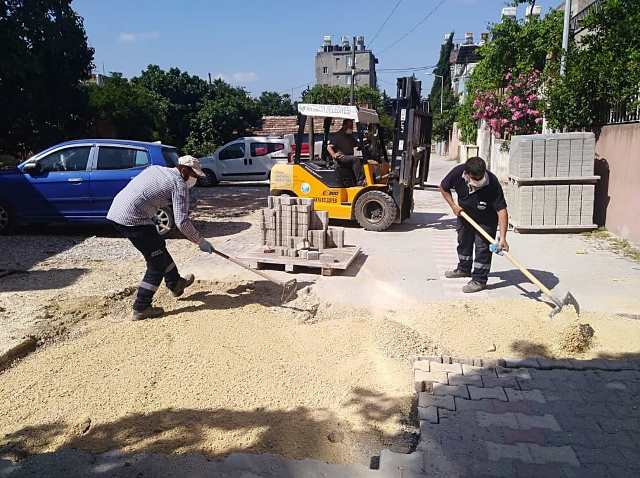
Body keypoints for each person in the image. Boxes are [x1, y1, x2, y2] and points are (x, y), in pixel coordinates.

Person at [107, 155, 215, 320]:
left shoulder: (157, 169)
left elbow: (148, 192)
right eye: (194, 176)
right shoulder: (179, 184)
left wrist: (152, 214)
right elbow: (182, 222)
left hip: (119, 210)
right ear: (184, 170)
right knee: (156, 262)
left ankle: (175, 283)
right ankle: (141, 307)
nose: (195, 181)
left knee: (158, 247)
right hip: (132, 220)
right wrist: (200, 241)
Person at [439, 156, 509, 293]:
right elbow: (443, 187)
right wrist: (453, 206)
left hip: (486, 220)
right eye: (475, 178)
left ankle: (479, 280)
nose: (478, 181)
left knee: (482, 248)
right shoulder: (458, 173)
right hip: (465, 215)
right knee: (463, 241)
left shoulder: (492, 182)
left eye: (480, 177)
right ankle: (464, 269)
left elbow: (502, 210)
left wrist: (503, 237)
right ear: (467, 174)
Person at [327, 119, 365, 185]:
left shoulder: (349, 136)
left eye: (352, 126)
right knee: (355, 159)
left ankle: (364, 179)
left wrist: (366, 142)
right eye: (350, 126)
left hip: (349, 158)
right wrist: (334, 155)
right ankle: (360, 181)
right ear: (344, 126)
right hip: (342, 158)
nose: (351, 128)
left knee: (364, 161)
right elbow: (329, 147)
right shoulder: (337, 136)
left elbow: (357, 144)